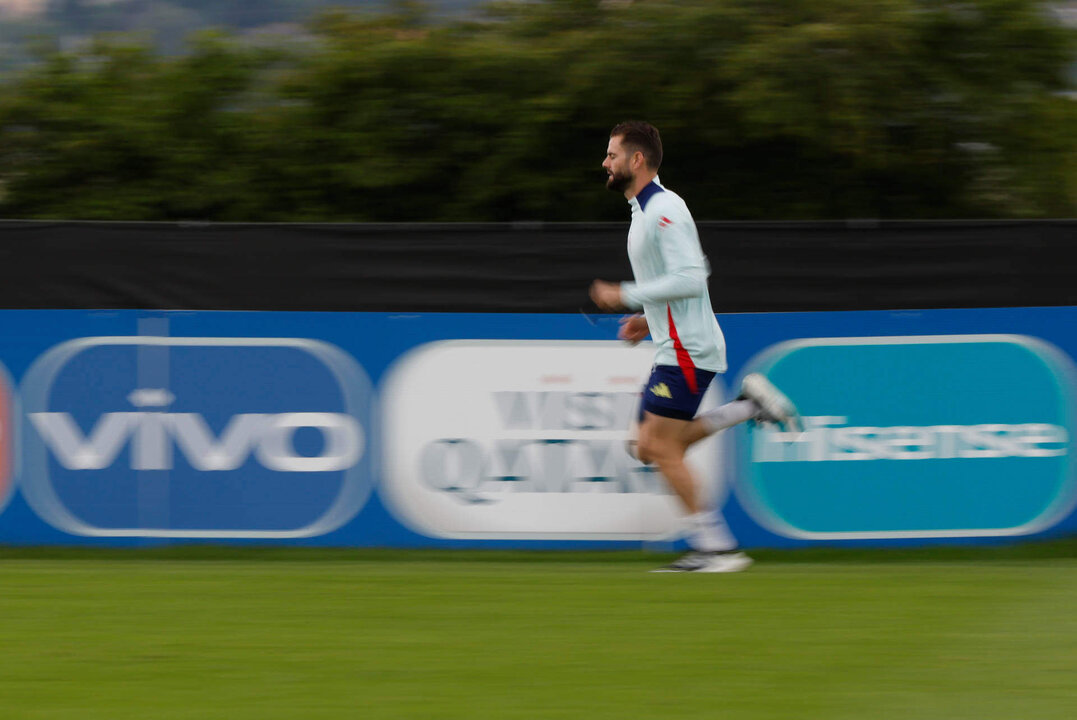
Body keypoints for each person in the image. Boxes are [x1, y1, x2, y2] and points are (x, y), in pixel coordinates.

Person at [590, 120, 801, 573]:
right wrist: (645, 322)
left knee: (658, 446)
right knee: (648, 447)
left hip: (687, 348)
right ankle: (748, 408)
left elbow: (691, 278)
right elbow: (676, 283)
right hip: (676, 343)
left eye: (612, 155)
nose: (605, 163)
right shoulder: (645, 211)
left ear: (636, 160)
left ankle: (718, 550)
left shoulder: (665, 208)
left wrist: (623, 295)